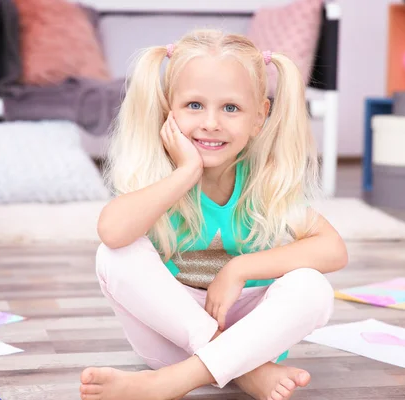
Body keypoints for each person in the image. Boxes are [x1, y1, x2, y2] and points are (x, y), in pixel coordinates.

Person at [80, 28, 348, 400]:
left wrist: (238, 269)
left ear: (259, 117)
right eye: (194, 106)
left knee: (313, 288)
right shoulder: (159, 181)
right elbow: (111, 232)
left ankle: (172, 383)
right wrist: (185, 173)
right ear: (167, 111)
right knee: (114, 253)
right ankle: (245, 370)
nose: (211, 123)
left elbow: (334, 249)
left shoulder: (263, 184)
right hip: (171, 342)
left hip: (251, 335)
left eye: (231, 108)